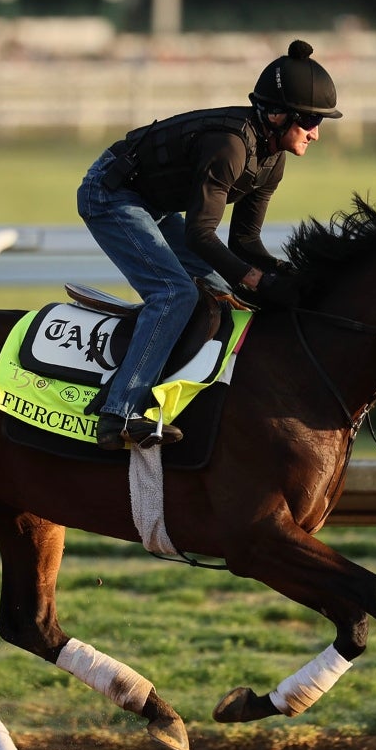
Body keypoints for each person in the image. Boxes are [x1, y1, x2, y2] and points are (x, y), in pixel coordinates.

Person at [77, 39, 342, 451]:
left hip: (153, 204)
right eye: (309, 120)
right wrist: (257, 279)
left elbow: (244, 241)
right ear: (277, 115)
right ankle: (119, 412)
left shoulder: (272, 160)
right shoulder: (230, 147)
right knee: (175, 293)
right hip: (110, 193)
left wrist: (283, 274)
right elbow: (200, 234)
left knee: (222, 289)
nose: (316, 133)